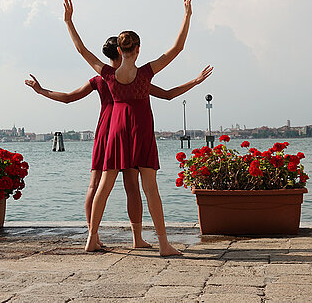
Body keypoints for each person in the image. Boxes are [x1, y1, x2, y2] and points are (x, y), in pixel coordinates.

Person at [25, 37, 212, 249]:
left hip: (109, 131)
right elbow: (167, 94)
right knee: (134, 188)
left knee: (96, 186)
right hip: (132, 131)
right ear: (125, 51)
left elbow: (68, 96)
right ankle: (137, 238)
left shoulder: (101, 78)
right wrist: (195, 81)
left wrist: (41, 91)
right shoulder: (136, 77)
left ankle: (92, 236)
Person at [64, 0, 206, 256]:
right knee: (150, 188)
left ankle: (91, 238)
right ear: (138, 49)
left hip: (117, 127)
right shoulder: (145, 73)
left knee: (104, 187)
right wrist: (187, 15)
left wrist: (69, 22)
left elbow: (82, 50)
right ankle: (164, 244)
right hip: (140, 127)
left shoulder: (107, 74)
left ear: (119, 50)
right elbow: (177, 49)